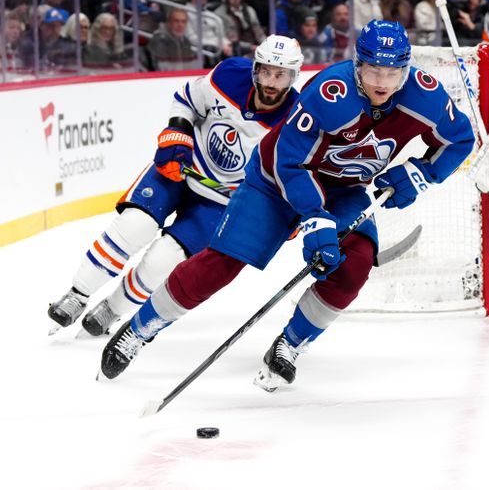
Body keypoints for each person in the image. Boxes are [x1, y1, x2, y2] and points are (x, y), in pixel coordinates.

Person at [98, 20, 477, 388]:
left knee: (356, 262)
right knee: (222, 262)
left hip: (345, 190)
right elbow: (288, 160)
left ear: (406, 70)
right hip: (274, 181)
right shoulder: (329, 92)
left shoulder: (426, 95)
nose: (382, 83)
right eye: (373, 70)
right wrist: (315, 217)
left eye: (392, 73)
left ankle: (291, 344)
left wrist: (425, 172)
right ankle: (141, 327)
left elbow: (460, 139)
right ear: (358, 63)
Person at [47, 35, 303, 336]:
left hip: (221, 202)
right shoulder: (228, 75)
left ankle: (111, 310)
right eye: (266, 71)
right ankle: (77, 294)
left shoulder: (293, 120)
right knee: (134, 225)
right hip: (180, 169)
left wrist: (286, 213)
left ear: (293, 76)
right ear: (255, 69)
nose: (272, 82)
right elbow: (186, 100)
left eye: (281, 74)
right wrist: (177, 132)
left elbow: (289, 176)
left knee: (162, 261)